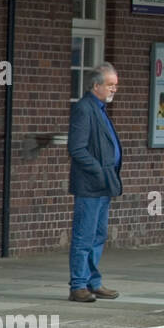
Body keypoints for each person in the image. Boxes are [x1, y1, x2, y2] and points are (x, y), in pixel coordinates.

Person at [67, 63, 123, 302]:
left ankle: (93, 281)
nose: (114, 90)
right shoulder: (84, 108)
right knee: (84, 236)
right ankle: (78, 285)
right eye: (110, 85)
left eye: (115, 85)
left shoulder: (99, 108)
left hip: (103, 185)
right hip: (90, 185)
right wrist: (99, 171)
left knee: (99, 235)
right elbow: (77, 149)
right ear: (96, 85)